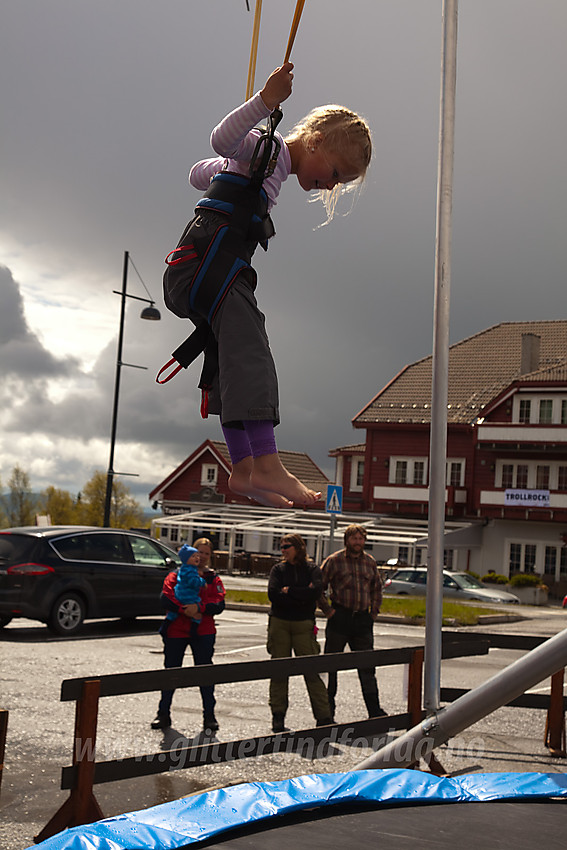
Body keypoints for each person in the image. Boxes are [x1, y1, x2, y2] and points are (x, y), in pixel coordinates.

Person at [163, 62, 372, 510]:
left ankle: (242, 469)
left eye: (340, 182)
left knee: (233, 356)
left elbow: (198, 173)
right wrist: (264, 103)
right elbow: (220, 141)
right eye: (335, 172)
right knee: (253, 353)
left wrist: (225, 169)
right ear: (315, 142)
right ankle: (268, 462)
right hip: (205, 266)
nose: (331, 184)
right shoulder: (269, 146)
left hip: (211, 271)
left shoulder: (263, 163)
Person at [151, 539, 226, 734]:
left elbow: (218, 603)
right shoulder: (175, 575)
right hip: (176, 629)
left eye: (206, 553)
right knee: (170, 672)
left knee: (204, 674)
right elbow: (165, 598)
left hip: (204, 631)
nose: (201, 557)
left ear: (210, 556)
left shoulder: (213, 579)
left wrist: (199, 607)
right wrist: (185, 610)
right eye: (198, 552)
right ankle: (163, 713)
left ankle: (209, 715)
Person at [267, 533, 333, 733]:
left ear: (298, 547)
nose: (283, 550)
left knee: (311, 669)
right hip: (279, 622)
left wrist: (290, 591)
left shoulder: (312, 569)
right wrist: (301, 594)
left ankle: (324, 717)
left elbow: (315, 592)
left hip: (303, 624)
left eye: (287, 546)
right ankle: (278, 716)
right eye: (282, 547)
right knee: (279, 670)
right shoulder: (278, 569)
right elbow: (273, 594)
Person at [320, 524, 386, 721]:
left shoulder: (370, 562)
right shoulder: (334, 561)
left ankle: (374, 711)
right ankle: (327, 713)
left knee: (367, 667)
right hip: (340, 618)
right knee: (331, 666)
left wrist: (373, 613)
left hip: (362, 621)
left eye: (361, 538)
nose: (358, 542)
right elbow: (318, 587)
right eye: (354, 538)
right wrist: (328, 611)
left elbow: (376, 589)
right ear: (346, 540)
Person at [165, 544, 205, 636]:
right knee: (197, 615)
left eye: (197, 556)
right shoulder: (191, 570)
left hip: (179, 593)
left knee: (172, 615)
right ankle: (193, 631)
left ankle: (165, 626)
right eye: (193, 556)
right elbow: (193, 582)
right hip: (188, 595)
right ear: (186, 559)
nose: (197, 558)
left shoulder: (183, 568)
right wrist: (202, 582)